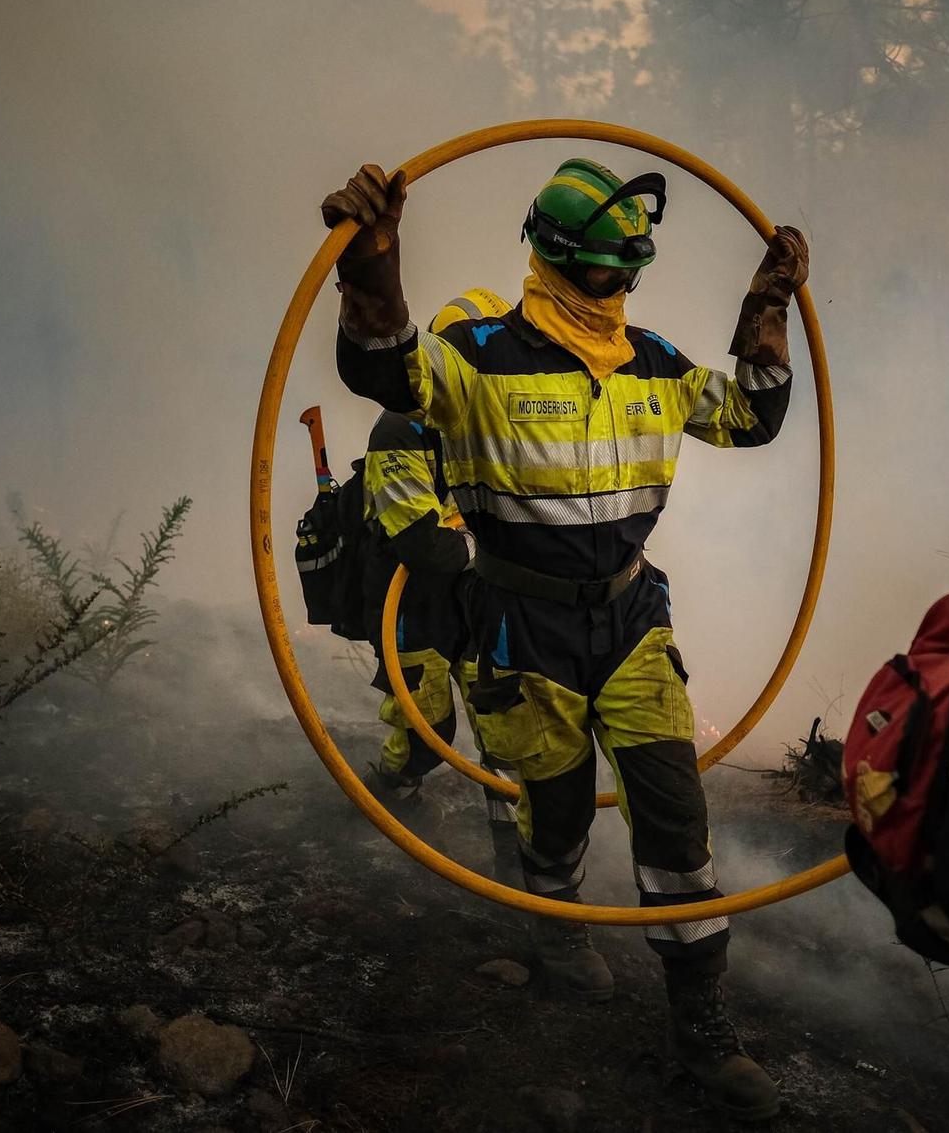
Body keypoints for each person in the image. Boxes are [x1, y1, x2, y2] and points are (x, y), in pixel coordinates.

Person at [323, 156, 809, 1122]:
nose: (618, 285)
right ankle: (555, 925)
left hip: (630, 620)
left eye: (632, 267)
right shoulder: (476, 357)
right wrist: (372, 261)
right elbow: (383, 366)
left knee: (674, 816)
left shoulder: (655, 363)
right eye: (602, 268)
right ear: (553, 255)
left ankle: (702, 1024)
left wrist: (768, 305)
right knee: (555, 810)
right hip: (520, 624)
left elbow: (753, 415)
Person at [355, 290, 527, 894]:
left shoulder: (500, 421)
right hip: (412, 605)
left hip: (477, 598)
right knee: (427, 728)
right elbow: (423, 545)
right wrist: (487, 542)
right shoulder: (398, 430)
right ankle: (390, 794)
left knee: (504, 723)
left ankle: (518, 858)